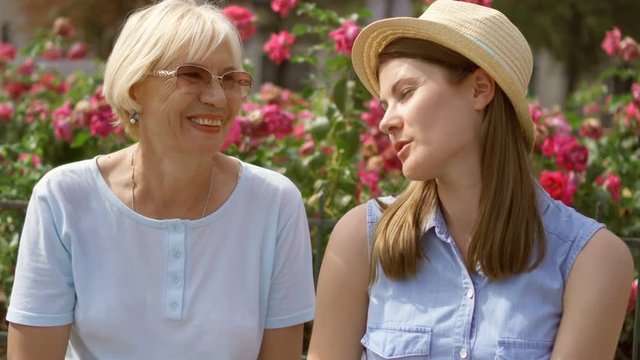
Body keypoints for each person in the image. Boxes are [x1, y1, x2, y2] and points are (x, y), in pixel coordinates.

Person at [308, 1, 633, 359]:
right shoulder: (361, 240)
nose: (386, 121)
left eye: (405, 93)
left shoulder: (590, 259)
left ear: (480, 89)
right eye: (385, 104)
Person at [6, 0, 315, 359]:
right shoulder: (64, 198)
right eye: (192, 75)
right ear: (136, 86)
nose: (217, 97)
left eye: (231, 80)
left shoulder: (274, 203)